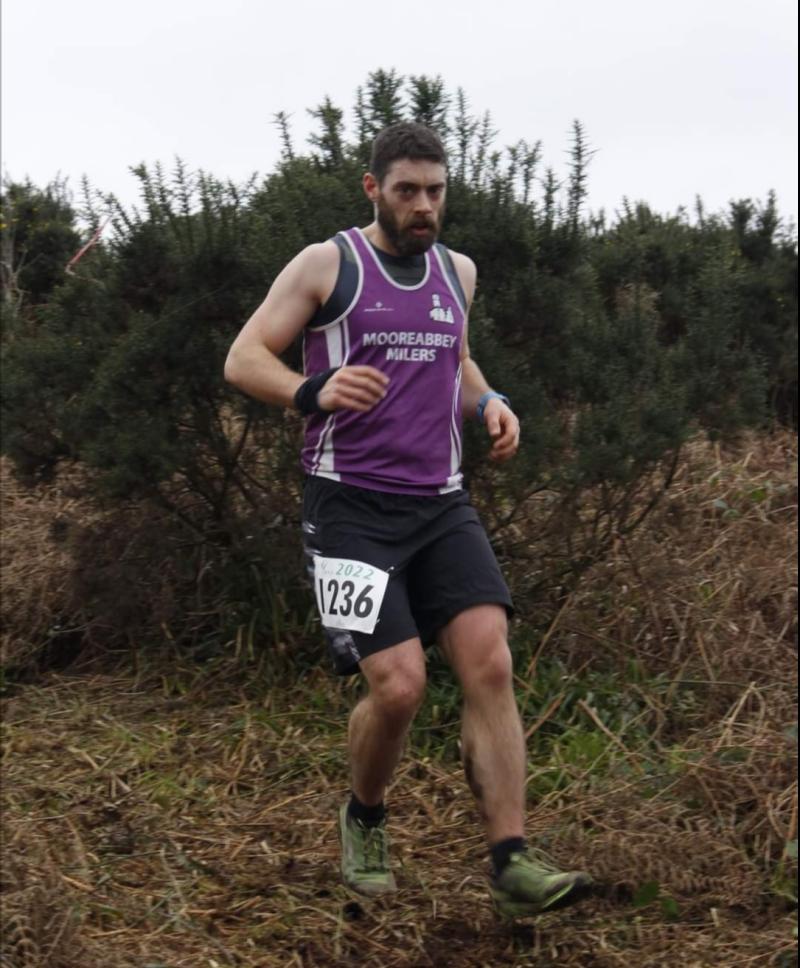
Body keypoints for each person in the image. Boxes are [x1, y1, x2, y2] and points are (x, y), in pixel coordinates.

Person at [224, 122, 592, 918]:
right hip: (348, 506)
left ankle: (512, 861)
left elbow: (454, 358)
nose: (424, 206)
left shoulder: (458, 272)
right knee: (398, 688)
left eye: (435, 191)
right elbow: (243, 357)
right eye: (407, 191)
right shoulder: (328, 265)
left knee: (490, 661)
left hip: (440, 503)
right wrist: (310, 391)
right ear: (373, 189)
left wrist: (489, 403)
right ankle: (364, 816)